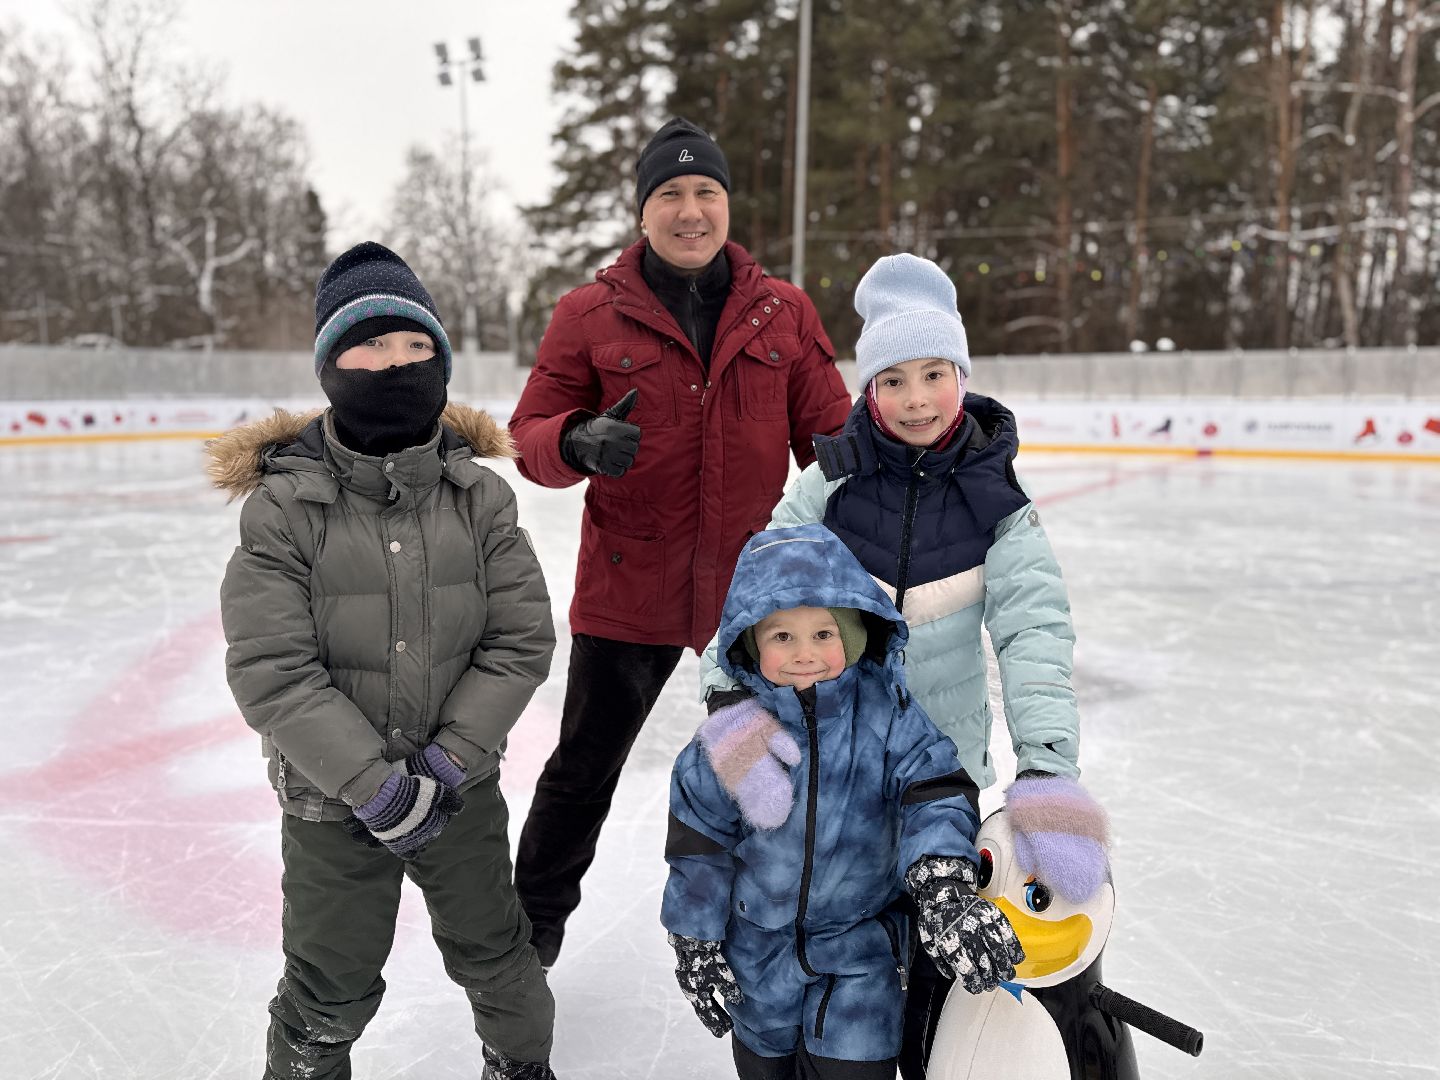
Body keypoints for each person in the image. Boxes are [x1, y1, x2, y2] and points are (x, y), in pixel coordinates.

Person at [697, 253, 1107, 1078]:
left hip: (939, 775)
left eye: (933, 374)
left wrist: (1048, 773)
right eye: (893, 380)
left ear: (961, 374)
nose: (916, 399)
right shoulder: (827, 487)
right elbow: (757, 594)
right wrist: (730, 711)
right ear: (868, 389)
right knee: (823, 951)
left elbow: (1034, 636)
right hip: (831, 767)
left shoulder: (1001, 508)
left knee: (933, 971)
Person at [208, 242, 561, 1080]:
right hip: (333, 803)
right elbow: (272, 670)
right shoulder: (284, 508)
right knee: (327, 985)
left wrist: (450, 759)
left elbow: (520, 640)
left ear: (438, 357)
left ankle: (522, 1069)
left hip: (458, 788)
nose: (392, 363)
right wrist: (373, 786)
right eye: (367, 346)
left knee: (500, 958)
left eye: (413, 346)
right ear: (332, 365)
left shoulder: (480, 497)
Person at [508, 116, 851, 968]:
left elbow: (834, 443)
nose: (690, 210)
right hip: (631, 587)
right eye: (670, 194)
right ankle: (521, 950)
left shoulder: (785, 312)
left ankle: (782, 940)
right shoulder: (589, 314)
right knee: (582, 772)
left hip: (751, 596)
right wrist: (578, 439)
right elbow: (529, 434)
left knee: (772, 779)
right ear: (642, 211)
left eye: (706, 192)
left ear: (727, 205)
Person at [663, 523, 1025, 1078]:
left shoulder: (887, 717)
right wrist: (695, 938)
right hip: (757, 954)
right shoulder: (734, 733)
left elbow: (933, 795)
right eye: (781, 636)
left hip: (861, 950)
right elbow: (699, 846)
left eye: (824, 635)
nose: (804, 654)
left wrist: (941, 884)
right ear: (749, 642)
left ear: (852, 636)